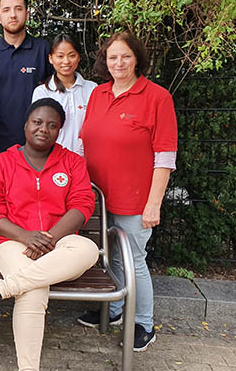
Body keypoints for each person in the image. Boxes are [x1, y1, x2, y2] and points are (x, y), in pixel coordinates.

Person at [0, 98, 99, 371]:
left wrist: (49, 238)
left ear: (60, 130)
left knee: (87, 249)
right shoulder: (1, 163)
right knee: (34, 291)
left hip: (61, 242)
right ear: (26, 124)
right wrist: (26, 236)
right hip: (14, 243)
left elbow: (82, 205)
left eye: (52, 125)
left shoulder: (73, 163)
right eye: (37, 122)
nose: (44, 129)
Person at [77, 31, 178, 352]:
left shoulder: (157, 97)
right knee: (111, 261)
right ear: (104, 62)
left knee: (134, 261)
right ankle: (117, 310)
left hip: (135, 200)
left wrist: (154, 204)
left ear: (137, 59)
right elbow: (85, 143)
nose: (118, 62)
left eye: (125, 56)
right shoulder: (98, 94)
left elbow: (165, 156)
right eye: (112, 57)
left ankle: (144, 324)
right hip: (98, 200)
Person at [0, 0, 52, 164]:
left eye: (18, 9)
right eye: (7, 10)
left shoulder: (44, 50)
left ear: (27, 14)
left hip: (36, 143)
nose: (13, 14)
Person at [31, 34, 97, 155]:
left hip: (87, 162)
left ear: (78, 57)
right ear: (50, 58)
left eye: (72, 55)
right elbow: (38, 132)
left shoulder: (92, 89)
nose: (66, 61)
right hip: (54, 161)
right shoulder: (42, 92)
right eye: (60, 56)